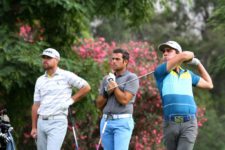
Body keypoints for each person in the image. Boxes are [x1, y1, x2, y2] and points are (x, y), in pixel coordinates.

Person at [154, 41, 213, 150]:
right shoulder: (160, 72)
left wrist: (197, 63)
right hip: (170, 123)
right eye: (163, 52)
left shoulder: (188, 74)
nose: (165, 53)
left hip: (189, 123)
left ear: (178, 54)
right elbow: (186, 55)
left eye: (169, 51)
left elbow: (209, 84)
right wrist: (187, 57)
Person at [30, 48, 91, 150]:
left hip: (57, 121)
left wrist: (71, 100)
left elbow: (86, 87)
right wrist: (34, 127)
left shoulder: (66, 75)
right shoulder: (40, 80)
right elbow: (36, 104)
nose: (45, 60)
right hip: (41, 122)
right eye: (44, 57)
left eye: (49, 58)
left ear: (57, 60)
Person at [96, 48, 139, 150]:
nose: (114, 61)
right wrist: (107, 92)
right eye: (113, 59)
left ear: (126, 62)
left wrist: (114, 87)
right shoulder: (107, 79)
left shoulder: (131, 78)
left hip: (122, 121)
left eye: (117, 59)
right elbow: (98, 104)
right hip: (106, 121)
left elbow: (124, 100)